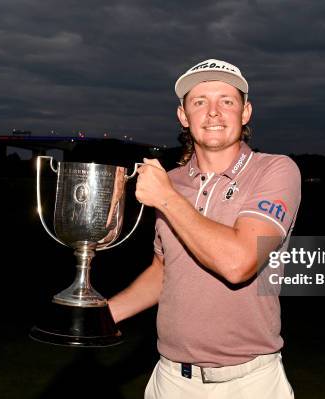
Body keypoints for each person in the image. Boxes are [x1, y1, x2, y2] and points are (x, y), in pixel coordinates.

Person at [108, 59, 301, 399]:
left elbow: (239, 263)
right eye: (199, 102)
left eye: (226, 101)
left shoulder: (275, 171)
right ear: (183, 116)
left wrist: (166, 200)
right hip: (171, 379)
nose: (213, 112)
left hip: (249, 382)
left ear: (245, 112)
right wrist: (104, 315)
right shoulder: (171, 183)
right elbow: (164, 270)